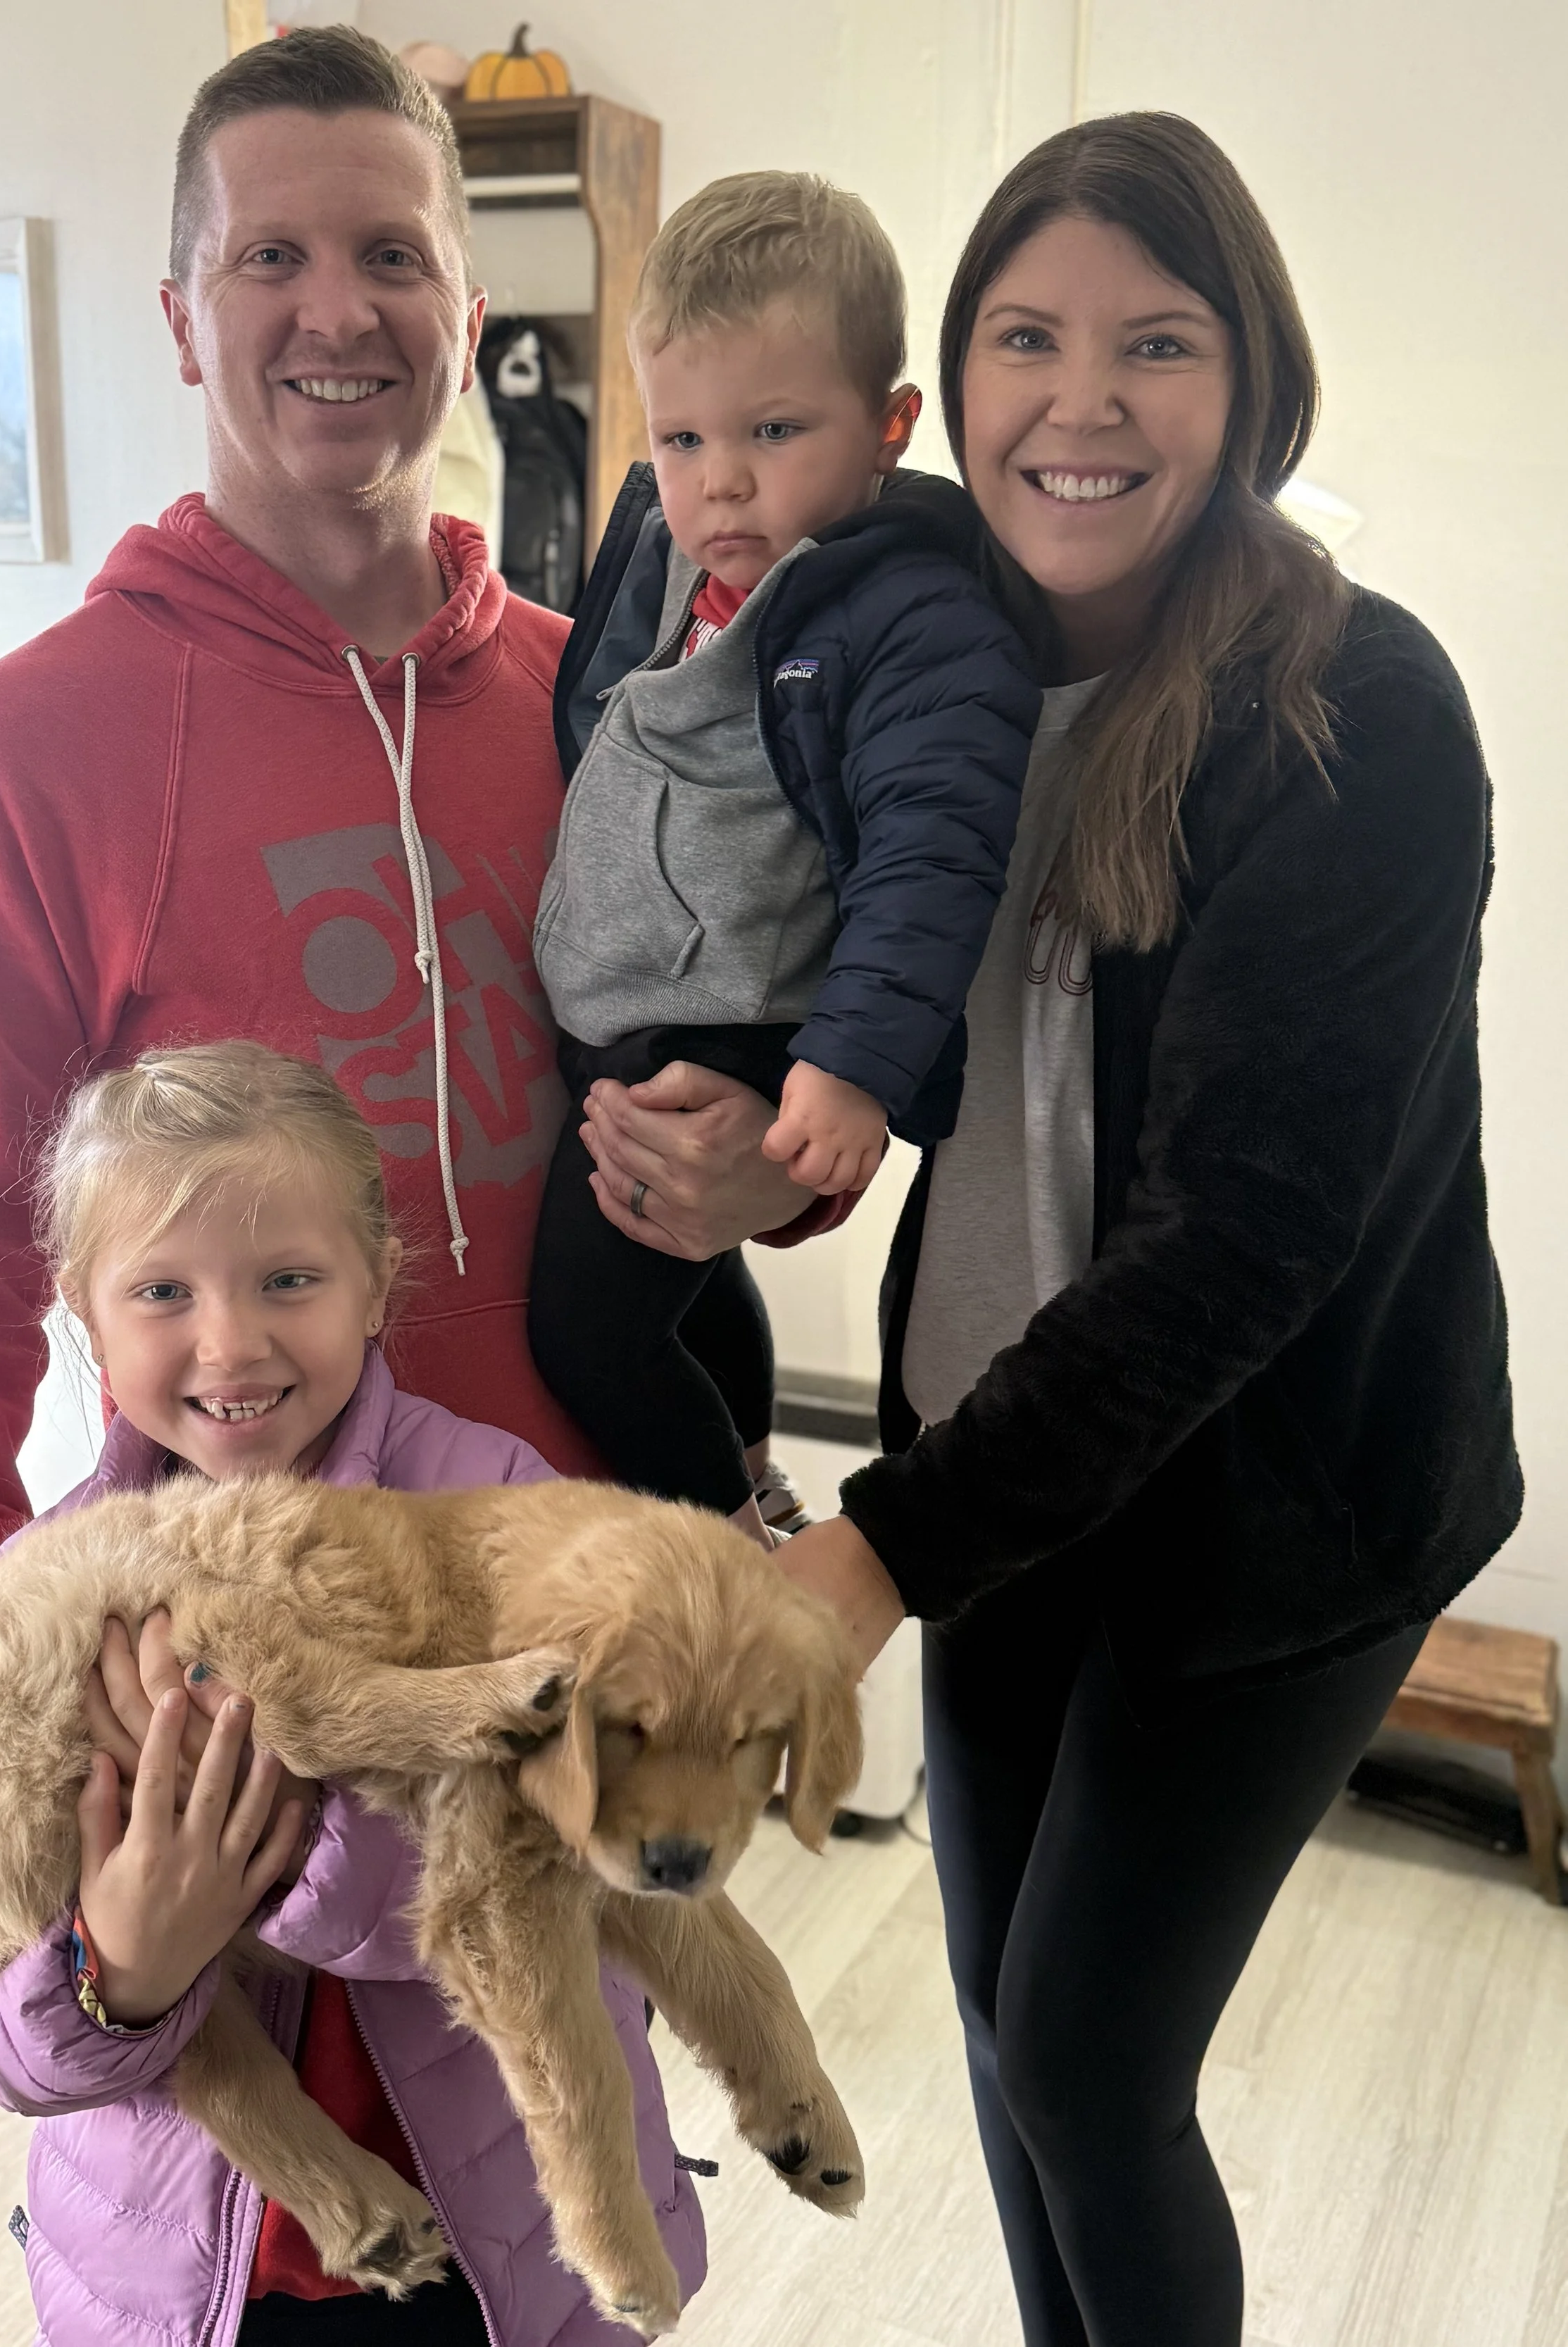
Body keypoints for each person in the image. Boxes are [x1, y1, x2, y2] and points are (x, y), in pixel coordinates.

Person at [0, 27, 817, 1738]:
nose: (337, 313)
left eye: (391, 257)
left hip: (596, 1624)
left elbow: (758, 1065)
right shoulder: (28, 746)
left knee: (579, 2019)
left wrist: (771, 1184)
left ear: (470, 316)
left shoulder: (611, 709)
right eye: (266, 257)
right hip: (243, 1665)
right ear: (178, 316)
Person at [767, 113, 1522, 2347]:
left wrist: (871, 1549)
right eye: (1025, 338)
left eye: (1151, 343)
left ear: (1247, 379)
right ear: (952, 386)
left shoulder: (1352, 710)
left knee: (1094, 2065)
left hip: (1271, 1514)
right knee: (1008, 2046)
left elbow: (1237, 1240)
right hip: (1006, 1464)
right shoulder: (933, 663)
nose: (1078, 402)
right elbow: (918, 1045)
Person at [0, 1041, 704, 2346]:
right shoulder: (30, 1595)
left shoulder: (502, 1505)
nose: (229, 1343)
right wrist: (116, 1969)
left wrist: (271, 1857)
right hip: (189, 2284)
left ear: (374, 1284)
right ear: (82, 1310)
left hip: (504, 2247)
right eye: (163, 1291)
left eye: (287, 1279)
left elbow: (591, 1855)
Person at [527, 172, 1038, 1539]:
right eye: (682, 439)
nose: (721, 483)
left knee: (586, 1326)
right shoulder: (663, 560)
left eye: (773, 430)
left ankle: (723, 1545)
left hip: (730, 1018)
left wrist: (853, 1063)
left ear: (886, 429)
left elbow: (930, 858)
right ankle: (752, 1465)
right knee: (692, 1289)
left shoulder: (907, 619)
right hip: (633, 1006)